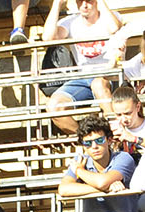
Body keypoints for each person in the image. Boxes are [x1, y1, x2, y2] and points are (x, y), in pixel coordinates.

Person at [42, 0, 124, 130]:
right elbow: (48, 38)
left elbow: (114, 27)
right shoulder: (70, 22)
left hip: (109, 74)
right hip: (83, 77)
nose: (84, 5)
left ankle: (115, 134)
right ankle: (85, 139)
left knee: (98, 84)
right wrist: (57, 4)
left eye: (89, 1)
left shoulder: (110, 16)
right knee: (53, 106)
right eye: (80, 1)